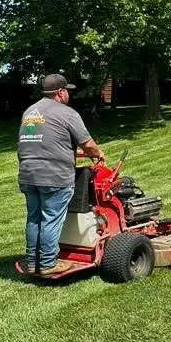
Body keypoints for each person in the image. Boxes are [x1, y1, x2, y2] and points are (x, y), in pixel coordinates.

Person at [17, 73, 104, 276]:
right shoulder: (67, 113)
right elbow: (88, 144)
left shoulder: (29, 112)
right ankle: (48, 263)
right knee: (50, 218)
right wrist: (98, 154)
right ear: (60, 92)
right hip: (54, 176)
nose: (69, 95)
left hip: (28, 174)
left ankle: (32, 262)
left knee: (34, 218)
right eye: (67, 91)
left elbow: (25, 143)